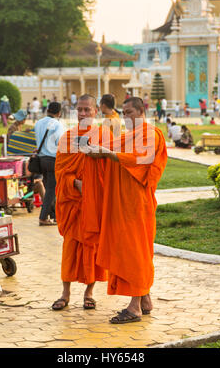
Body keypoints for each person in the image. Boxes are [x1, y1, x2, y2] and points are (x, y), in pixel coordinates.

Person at [84, 97, 167, 323]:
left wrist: (107, 153)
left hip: (136, 205)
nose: (126, 116)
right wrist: (97, 151)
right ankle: (145, 300)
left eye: (129, 112)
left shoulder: (152, 133)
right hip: (121, 204)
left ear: (142, 111)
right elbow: (113, 148)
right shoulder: (125, 137)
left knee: (135, 251)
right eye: (124, 112)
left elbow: (141, 158)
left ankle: (134, 308)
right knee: (130, 250)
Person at [52, 94, 110, 311]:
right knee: (69, 248)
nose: (83, 113)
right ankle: (65, 293)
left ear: (96, 111)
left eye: (87, 109)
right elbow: (60, 170)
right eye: (80, 110)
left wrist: (95, 187)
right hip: (73, 203)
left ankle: (89, 293)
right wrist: (74, 183)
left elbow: (110, 169)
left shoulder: (105, 136)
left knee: (92, 248)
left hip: (93, 203)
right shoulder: (68, 138)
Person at [35, 101, 64, 226]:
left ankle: (54, 215)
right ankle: (43, 217)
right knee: (52, 190)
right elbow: (60, 142)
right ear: (59, 113)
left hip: (41, 160)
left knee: (49, 188)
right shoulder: (58, 124)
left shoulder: (38, 123)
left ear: (47, 110)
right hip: (53, 159)